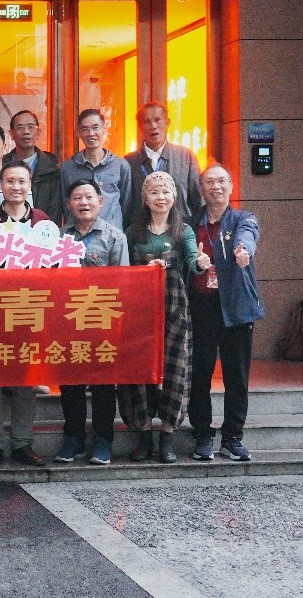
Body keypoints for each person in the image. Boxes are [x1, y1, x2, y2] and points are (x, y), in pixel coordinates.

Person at [120, 170, 209, 464]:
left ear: (174, 197)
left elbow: (193, 261)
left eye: (166, 191)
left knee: (175, 368)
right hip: (138, 309)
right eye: (154, 192)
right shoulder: (133, 231)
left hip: (174, 307)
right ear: (145, 198)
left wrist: (200, 262)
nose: (161, 197)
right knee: (139, 367)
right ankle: (144, 436)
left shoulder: (183, 231)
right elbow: (122, 268)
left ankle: (167, 436)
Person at [0, 160, 48, 467]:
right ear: (1, 186)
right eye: (10, 181)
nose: (16, 187)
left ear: (30, 186)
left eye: (21, 181)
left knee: (25, 379)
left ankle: (22, 443)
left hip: (29, 310)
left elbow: (53, 267)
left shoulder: (42, 222)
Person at [187, 164, 264, 463]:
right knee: (200, 373)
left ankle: (233, 438)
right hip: (201, 306)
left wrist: (244, 250)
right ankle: (202, 435)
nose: (216, 187)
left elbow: (248, 235)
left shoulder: (243, 218)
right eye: (209, 182)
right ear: (201, 189)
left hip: (236, 305)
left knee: (237, 375)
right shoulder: (192, 222)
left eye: (221, 181)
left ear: (231, 187)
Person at [55, 178, 129, 466]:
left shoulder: (114, 237)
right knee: (70, 382)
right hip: (67, 321)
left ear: (101, 201)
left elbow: (123, 283)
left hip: (102, 321)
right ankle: (73, 437)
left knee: (103, 384)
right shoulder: (58, 237)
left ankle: (102, 440)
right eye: (77, 198)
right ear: (69, 204)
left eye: (89, 197)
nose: (83, 202)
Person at [126, 102, 203, 229]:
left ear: (167, 122)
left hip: (179, 231)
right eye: (147, 122)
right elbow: (126, 205)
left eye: (157, 120)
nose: (153, 126)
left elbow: (198, 199)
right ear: (140, 127)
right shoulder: (129, 162)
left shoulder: (185, 157)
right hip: (142, 233)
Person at [60, 108, 133, 229]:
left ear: (104, 130)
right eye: (85, 129)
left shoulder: (120, 165)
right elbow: (65, 206)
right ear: (78, 133)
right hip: (78, 236)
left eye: (95, 127)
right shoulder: (68, 168)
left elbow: (127, 206)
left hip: (111, 236)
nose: (91, 133)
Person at [4, 109, 63, 225]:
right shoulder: (2, 166)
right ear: (11, 134)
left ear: (38, 132)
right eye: (20, 128)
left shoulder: (51, 169)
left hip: (42, 230)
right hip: (8, 229)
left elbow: (55, 210)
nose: (26, 132)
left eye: (31, 127)